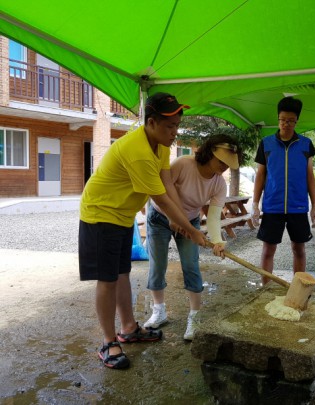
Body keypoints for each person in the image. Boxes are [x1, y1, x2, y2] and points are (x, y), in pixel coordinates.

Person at [79, 92, 207, 369]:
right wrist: (192, 231)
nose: (175, 132)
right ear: (151, 123)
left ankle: (128, 328)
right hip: (101, 213)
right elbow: (160, 198)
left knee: (122, 272)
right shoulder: (138, 151)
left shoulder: (161, 147)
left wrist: (183, 221)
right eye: (170, 126)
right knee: (107, 279)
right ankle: (108, 342)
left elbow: (167, 185)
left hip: (122, 214)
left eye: (177, 126)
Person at [143, 134, 242, 341]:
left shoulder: (219, 184)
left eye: (228, 163)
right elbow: (160, 191)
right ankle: (159, 310)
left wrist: (217, 241)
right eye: (221, 160)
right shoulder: (183, 164)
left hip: (190, 221)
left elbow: (213, 217)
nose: (224, 166)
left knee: (191, 265)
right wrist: (172, 217)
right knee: (158, 264)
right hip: (160, 217)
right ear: (210, 152)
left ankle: (194, 317)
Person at [251, 96, 315, 284]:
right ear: (278, 119)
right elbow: (260, 175)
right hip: (272, 206)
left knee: (299, 249)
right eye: (282, 120)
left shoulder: (306, 144)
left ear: (297, 121)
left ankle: (298, 287)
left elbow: (310, 176)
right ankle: (265, 288)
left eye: (290, 121)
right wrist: (255, 204)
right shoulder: (266, 143)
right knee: (268, 250)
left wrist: (314, 205)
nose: (286, 124)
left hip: (298, 207)